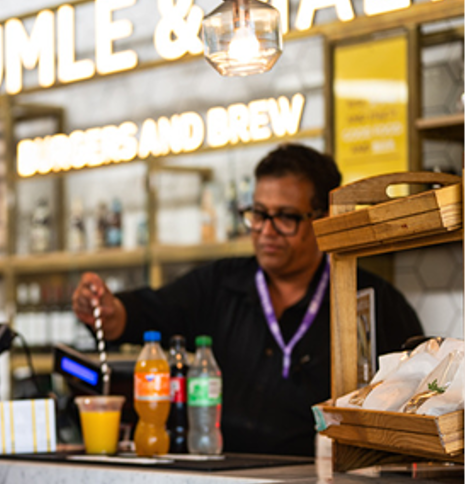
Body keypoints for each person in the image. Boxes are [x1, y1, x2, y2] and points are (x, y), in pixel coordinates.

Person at [71, 143, 423, 457]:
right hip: (224, 471)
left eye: (285, 217)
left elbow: (417, 395)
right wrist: (106, 309)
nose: (266, 231)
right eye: (258, 214)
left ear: (324, 220)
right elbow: (147, 314)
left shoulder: (371, 299)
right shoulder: (221, 282)